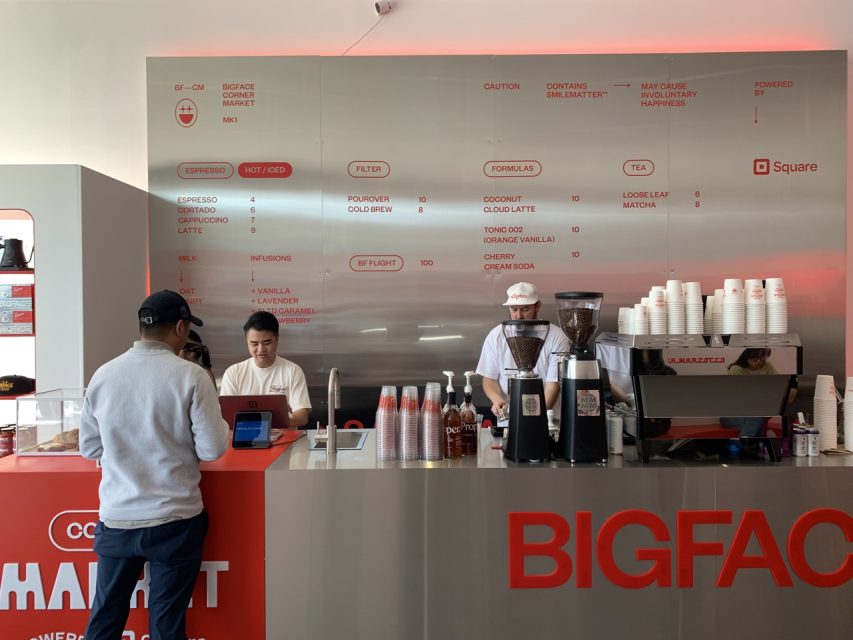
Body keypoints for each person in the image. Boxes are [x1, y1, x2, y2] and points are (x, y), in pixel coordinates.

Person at [79, 290, 229, 639]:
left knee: (105, 618)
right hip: (173, 523)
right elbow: (211, 449)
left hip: (117, 519)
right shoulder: (192, 376)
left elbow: (89, 448)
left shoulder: (103, 375)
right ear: (180, 327)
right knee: (166, 624)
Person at [475, 282, 570, 421]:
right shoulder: (496, 335)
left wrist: (536, 417)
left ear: (538, 306)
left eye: (525, 309)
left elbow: (553, 385)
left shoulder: (556, 336)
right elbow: (489, 379)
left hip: (548, 421)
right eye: (514, 309)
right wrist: (497, 400)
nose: (518, 316)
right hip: (509, 420)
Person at [220, 310, 312, 427]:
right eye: (254, 343)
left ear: (277, 339)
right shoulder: (233, 372)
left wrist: (267, 425)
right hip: (245, 438)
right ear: (246, 341)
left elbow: (302, 416)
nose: (260, 349)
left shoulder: (292, 371)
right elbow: (226, 417)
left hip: (286, 440)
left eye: (267, 342)